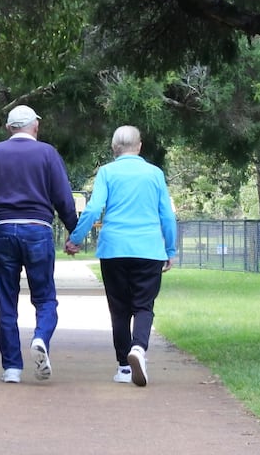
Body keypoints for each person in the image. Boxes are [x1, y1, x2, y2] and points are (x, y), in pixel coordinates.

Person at [0, 104, 79, 384]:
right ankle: (40, 337)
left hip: (4, 230)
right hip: (37, 229)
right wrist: (73, 232)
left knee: (6, 299)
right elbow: (63, 198)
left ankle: (11, 368)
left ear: (9, 128)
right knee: (45, 298)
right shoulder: (47, 153)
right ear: (36, 126)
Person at [65, 125, 177, 387]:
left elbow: (94, 209)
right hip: (149, 249)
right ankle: (139, 347)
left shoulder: (107, 172)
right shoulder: (154, 174)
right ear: (139, 146)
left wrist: (75, 239)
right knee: (144, 306)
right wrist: (170, 249)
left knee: (119, 309)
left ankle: (124, 367)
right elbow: (166, 215)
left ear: (114, 148)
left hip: (114, 249)